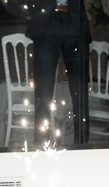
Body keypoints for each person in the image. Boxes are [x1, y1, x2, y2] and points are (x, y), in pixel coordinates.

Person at [27, 0, 90, 144]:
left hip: (74, 17)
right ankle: (41, 145)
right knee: (43, 91)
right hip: (45, 18)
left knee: (80, 91)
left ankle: (82, 146)